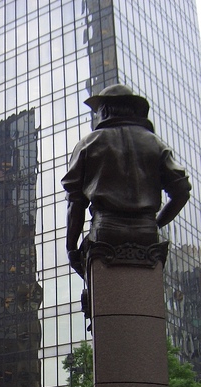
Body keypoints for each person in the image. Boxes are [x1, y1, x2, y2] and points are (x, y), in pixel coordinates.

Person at [62, 84, 191, 277]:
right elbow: (182, 191)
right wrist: (156, 223)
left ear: (104, 111)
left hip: (105, 233)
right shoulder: (155, 144)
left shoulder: (88, 144)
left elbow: (76, 203)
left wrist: (72, 248)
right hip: (146, 234)